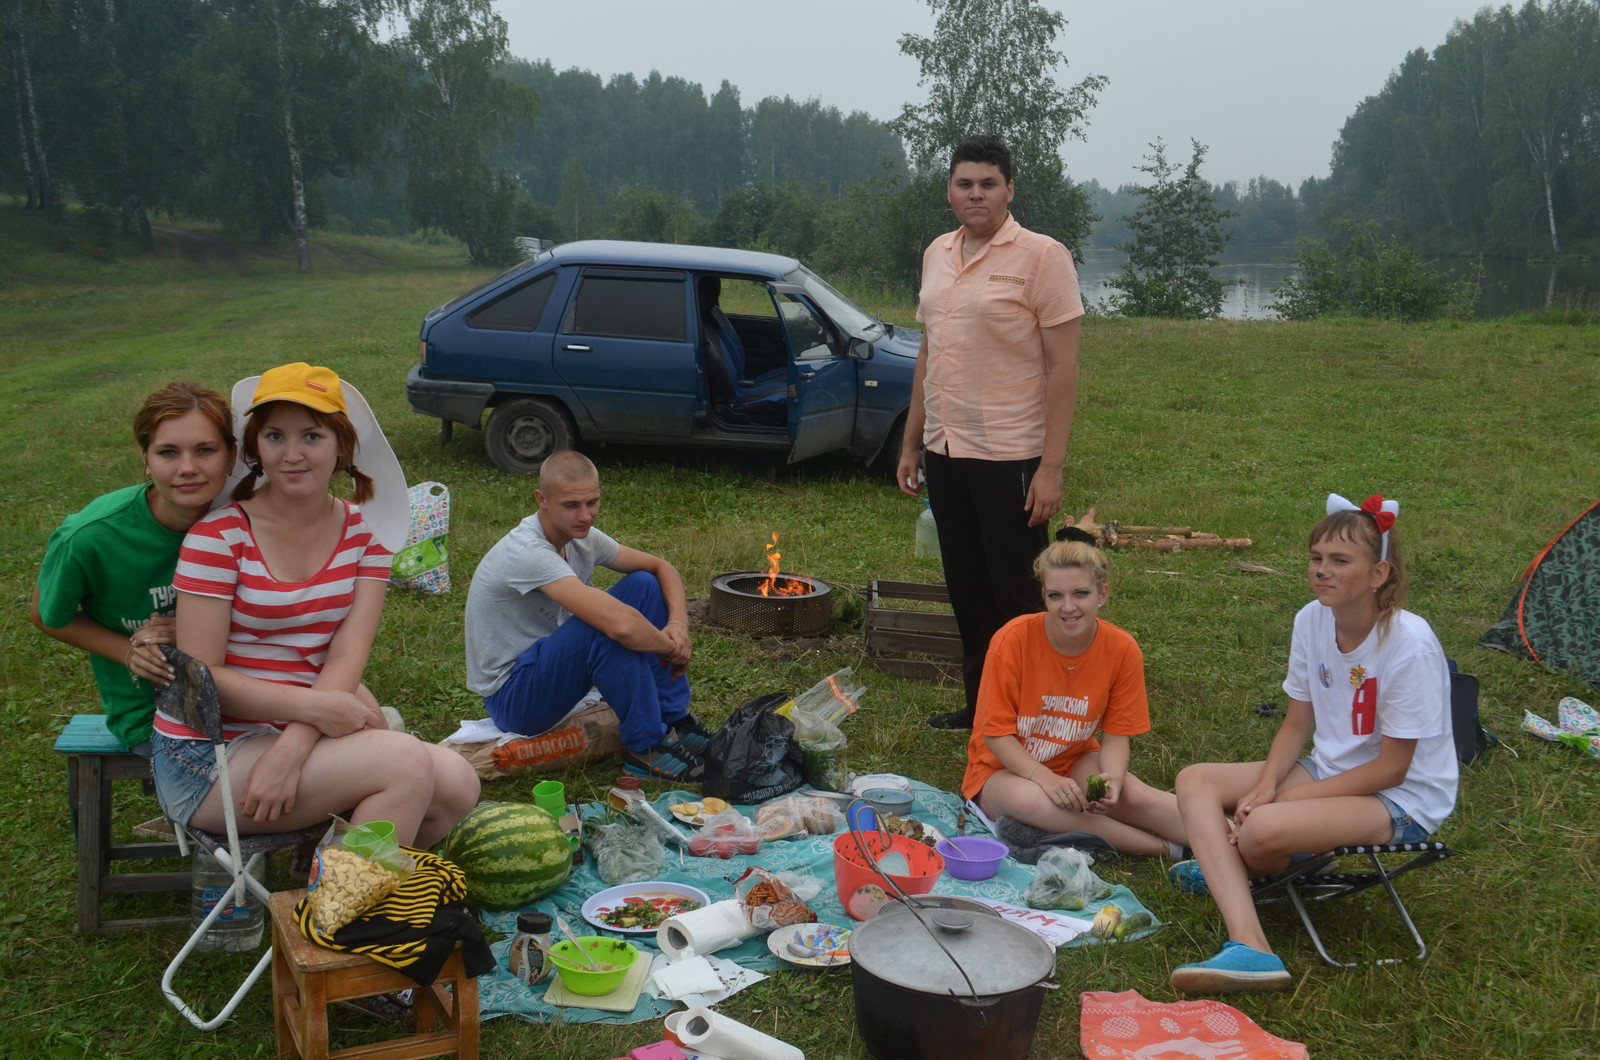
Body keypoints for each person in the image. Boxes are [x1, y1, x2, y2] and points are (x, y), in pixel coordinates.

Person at [152, 363, 479, 849]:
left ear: (342, 447)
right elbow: (202, 678)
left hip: (306, 731)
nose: (292, 455)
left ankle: (328, 873)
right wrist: (318, 709)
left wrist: (293, 748)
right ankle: (342, 896)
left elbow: (348, 653)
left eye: (312, 436)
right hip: (209, 751)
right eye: (275, 436)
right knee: (404, 763)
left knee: (458, 784)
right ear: (255, 448)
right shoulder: (218, 538)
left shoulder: (367, 533)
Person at [1167, 493, 1458, 995]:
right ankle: (1248, 911)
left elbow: (1392, 769)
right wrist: (1266, 784)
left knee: (1261, 829)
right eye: (1316, 558)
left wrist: (1285, 801)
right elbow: (1296, 723)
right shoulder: (1311, 619)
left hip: (1401, 798)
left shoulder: (1409, 644)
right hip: (1331, 769)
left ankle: (1244, 906)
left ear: (1379, 574)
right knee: (1196, 780)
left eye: (1340, 561)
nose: (1322, 570)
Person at [896, 132, 1085, 730]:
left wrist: (1050, 467)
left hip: (1010, 454)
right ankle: (983, 706)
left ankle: (1035, 712)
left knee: (1018, 593)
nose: (975, 194)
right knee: (967, 587)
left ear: (1009, 191)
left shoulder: (1042, 256)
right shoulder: (937, 253)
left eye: (987, 184)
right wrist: (911, 441)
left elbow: (1063, 367)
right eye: (964, 183)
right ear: (950, 191)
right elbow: (929, 351)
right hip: (946, 450)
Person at [464, 449, 708, 783]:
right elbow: (620, 625)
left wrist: (678, 625)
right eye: (571, 505)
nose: (585, 515)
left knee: (643, 584)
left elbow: (661, 567)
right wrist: (670, 649)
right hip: (514, 698)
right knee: (606, 628)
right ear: (542, 500)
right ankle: (646, 747)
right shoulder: (527, 552)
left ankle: (673, 719)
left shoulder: (581, 538)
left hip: (549, 665)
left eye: (592, 502)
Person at [32, 382, 236, 754]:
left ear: (231, 455)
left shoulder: (250, 519)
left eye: (205, 450)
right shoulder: (91, 536)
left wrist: (194, 630)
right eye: (168, 452)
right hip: (153, 711)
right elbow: (48, 615)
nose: (187, 468)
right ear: (146, 457)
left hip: (251, 690)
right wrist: (128, 651)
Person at [961, 528, 1188, 860]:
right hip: (1002, 772)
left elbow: (1116, 736)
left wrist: (1113, 778)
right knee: (1033, 803)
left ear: (1102, 593)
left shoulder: (1122, 648)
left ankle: (1234, 838)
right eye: (1055, 596)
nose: (1068, 607)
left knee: (1134, 796)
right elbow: (996, 735)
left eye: (1081, 593)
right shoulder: (1012, 640)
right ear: (1044, 595)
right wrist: (1044, 778)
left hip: (1075, 760)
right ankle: (1168, 850)